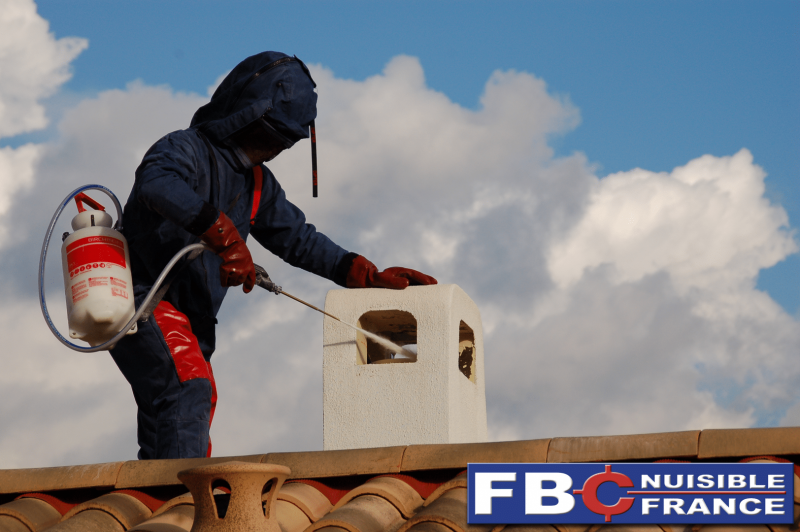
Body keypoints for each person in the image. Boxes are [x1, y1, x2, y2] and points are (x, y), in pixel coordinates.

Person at [110, 52, 437, 460]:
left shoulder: (259, 184)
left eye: (288, 138)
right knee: (188, 387)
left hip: (193, 322)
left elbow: (298, 239)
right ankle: (183, 506)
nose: (278, 145)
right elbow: (157, 185)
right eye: (273, 132)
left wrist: (362, 274)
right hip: (143, 299)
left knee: (173, 416)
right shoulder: (185, 148)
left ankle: (156, 508)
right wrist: (227, 238)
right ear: (245, 112)